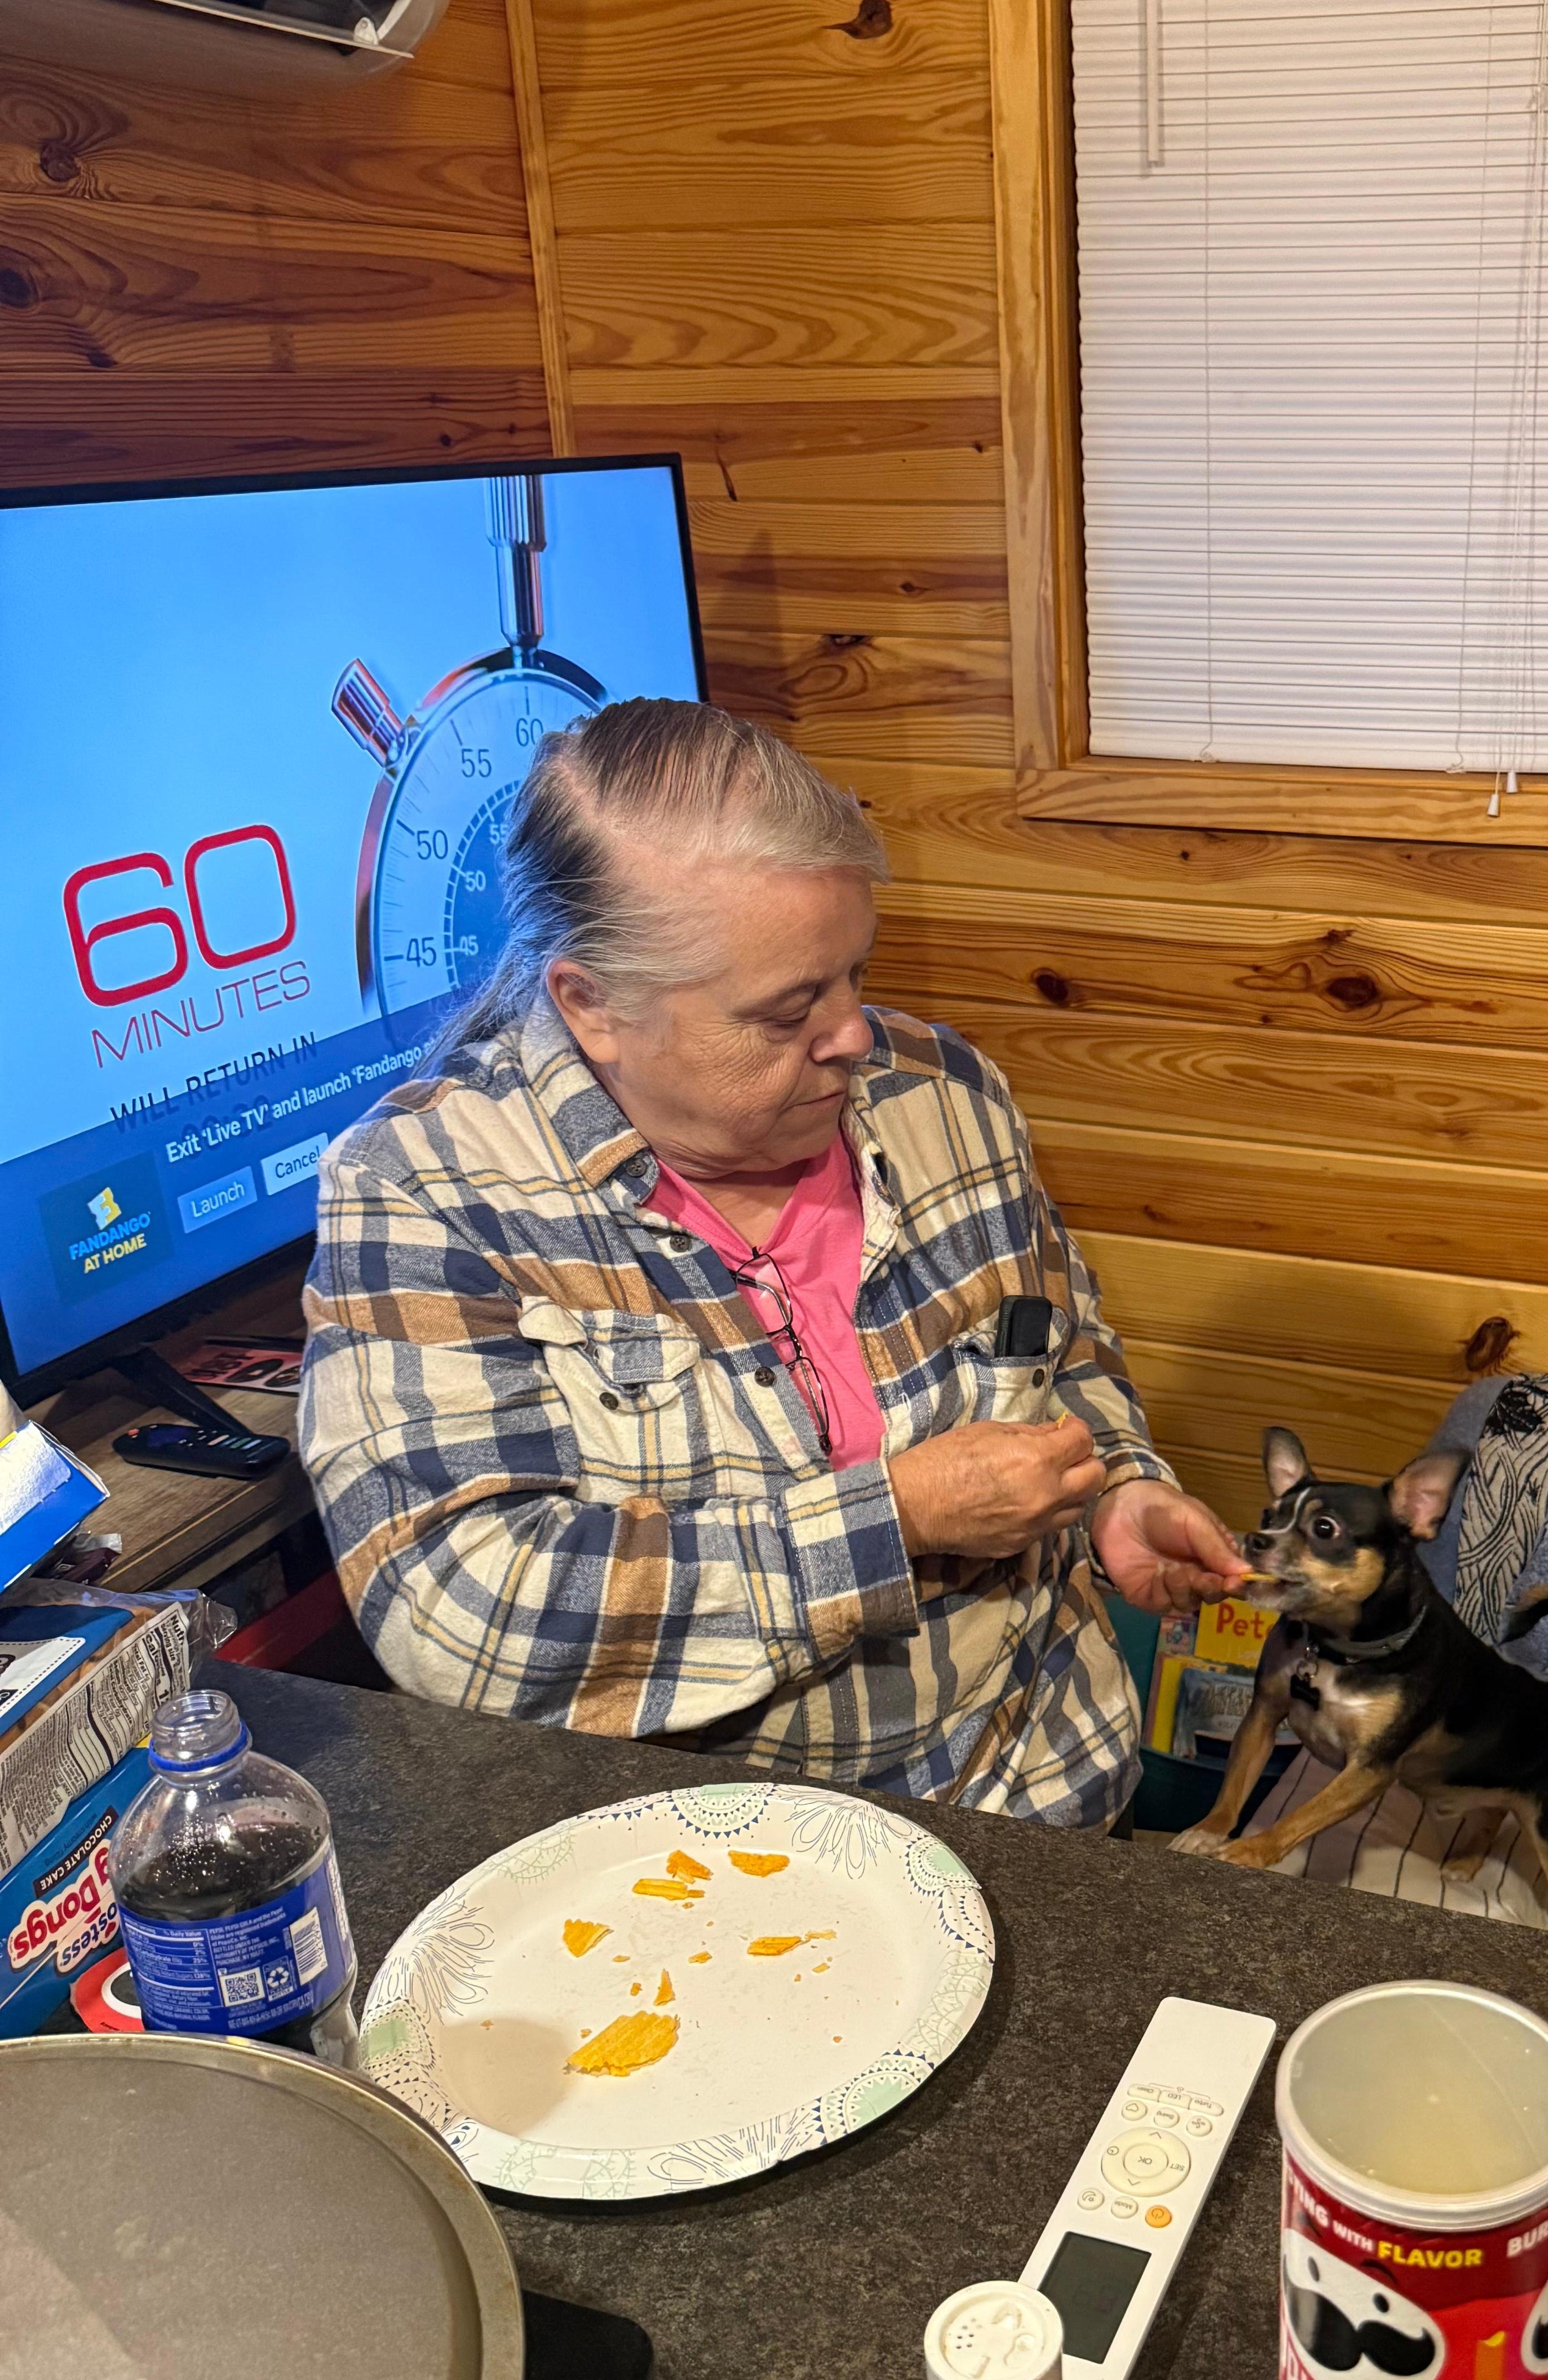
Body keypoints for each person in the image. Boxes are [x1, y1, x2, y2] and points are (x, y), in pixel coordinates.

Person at [298, 697, 1245, 1825]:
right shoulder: (425, 1190)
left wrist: (1117, 1490)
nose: (853, 1034)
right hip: (714, 1852)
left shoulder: (945, 1094)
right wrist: (896, 1519)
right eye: (787, 1011)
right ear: (593, 1007)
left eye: (854, 974)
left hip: (1042, 1788)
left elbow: (1060, 1349)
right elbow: (462, 1613)